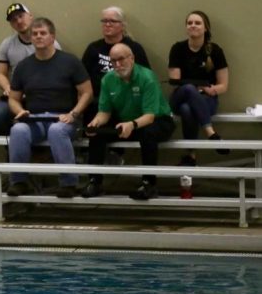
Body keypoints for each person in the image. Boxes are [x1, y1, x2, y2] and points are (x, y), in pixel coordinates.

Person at [6, 17, 92, 198]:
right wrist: (19, 111)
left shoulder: (70, 62)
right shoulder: (23, 66)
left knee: (56, 130)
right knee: (18, 130)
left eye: (43, 33)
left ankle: (69, 183)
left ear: (52, 37)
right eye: (35, 34)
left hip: (64, 120)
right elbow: (13, 99)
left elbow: (87, 93)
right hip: (35, 119)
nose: (38, 37)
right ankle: (19, 181)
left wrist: (73, 113)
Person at [84, 43, 175, 200]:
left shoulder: (147, 77)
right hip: (127, 122)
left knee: (148, 133)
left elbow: (149, 116)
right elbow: (104, 112)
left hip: (158, 120)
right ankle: (95, 182)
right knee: (97, 134)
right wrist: (95, 123)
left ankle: (149, 184)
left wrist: (131, 125)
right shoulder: (108, 79)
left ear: (131, 58)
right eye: (113, 61)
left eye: (121, 59)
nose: (118, 65)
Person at [167, 10, 229, 166]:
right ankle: (211, 133)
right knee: (188, 88)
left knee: (188, 109)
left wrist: (211, 90)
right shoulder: (177, 48)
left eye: (197, 23)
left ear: (205, 28)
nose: (193, 26)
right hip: (179, 96)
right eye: (189, 23)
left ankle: (190, 156)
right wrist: (196, 87)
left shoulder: (215, 51)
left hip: (207, 99)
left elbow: (223, 85)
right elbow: (175, 81)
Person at [0, 2, 61, 135]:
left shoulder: (51, 43)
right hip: (16, 93)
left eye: (21, 16)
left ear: (30, 16)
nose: (18, 21)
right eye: (13, 19)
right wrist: (8, 88)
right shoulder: (7, 44)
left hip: (42, 94)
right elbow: (0, 74)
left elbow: (57, 72)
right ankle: (12, 148)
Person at [80, 6, 151, 121]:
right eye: (104, 21)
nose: (107, 24)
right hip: (99, 99)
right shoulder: (93, 48)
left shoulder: (134, 48)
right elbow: (82, 78)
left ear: (122, 25)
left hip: (128, 98)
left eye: (112, 21)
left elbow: (145, 77)